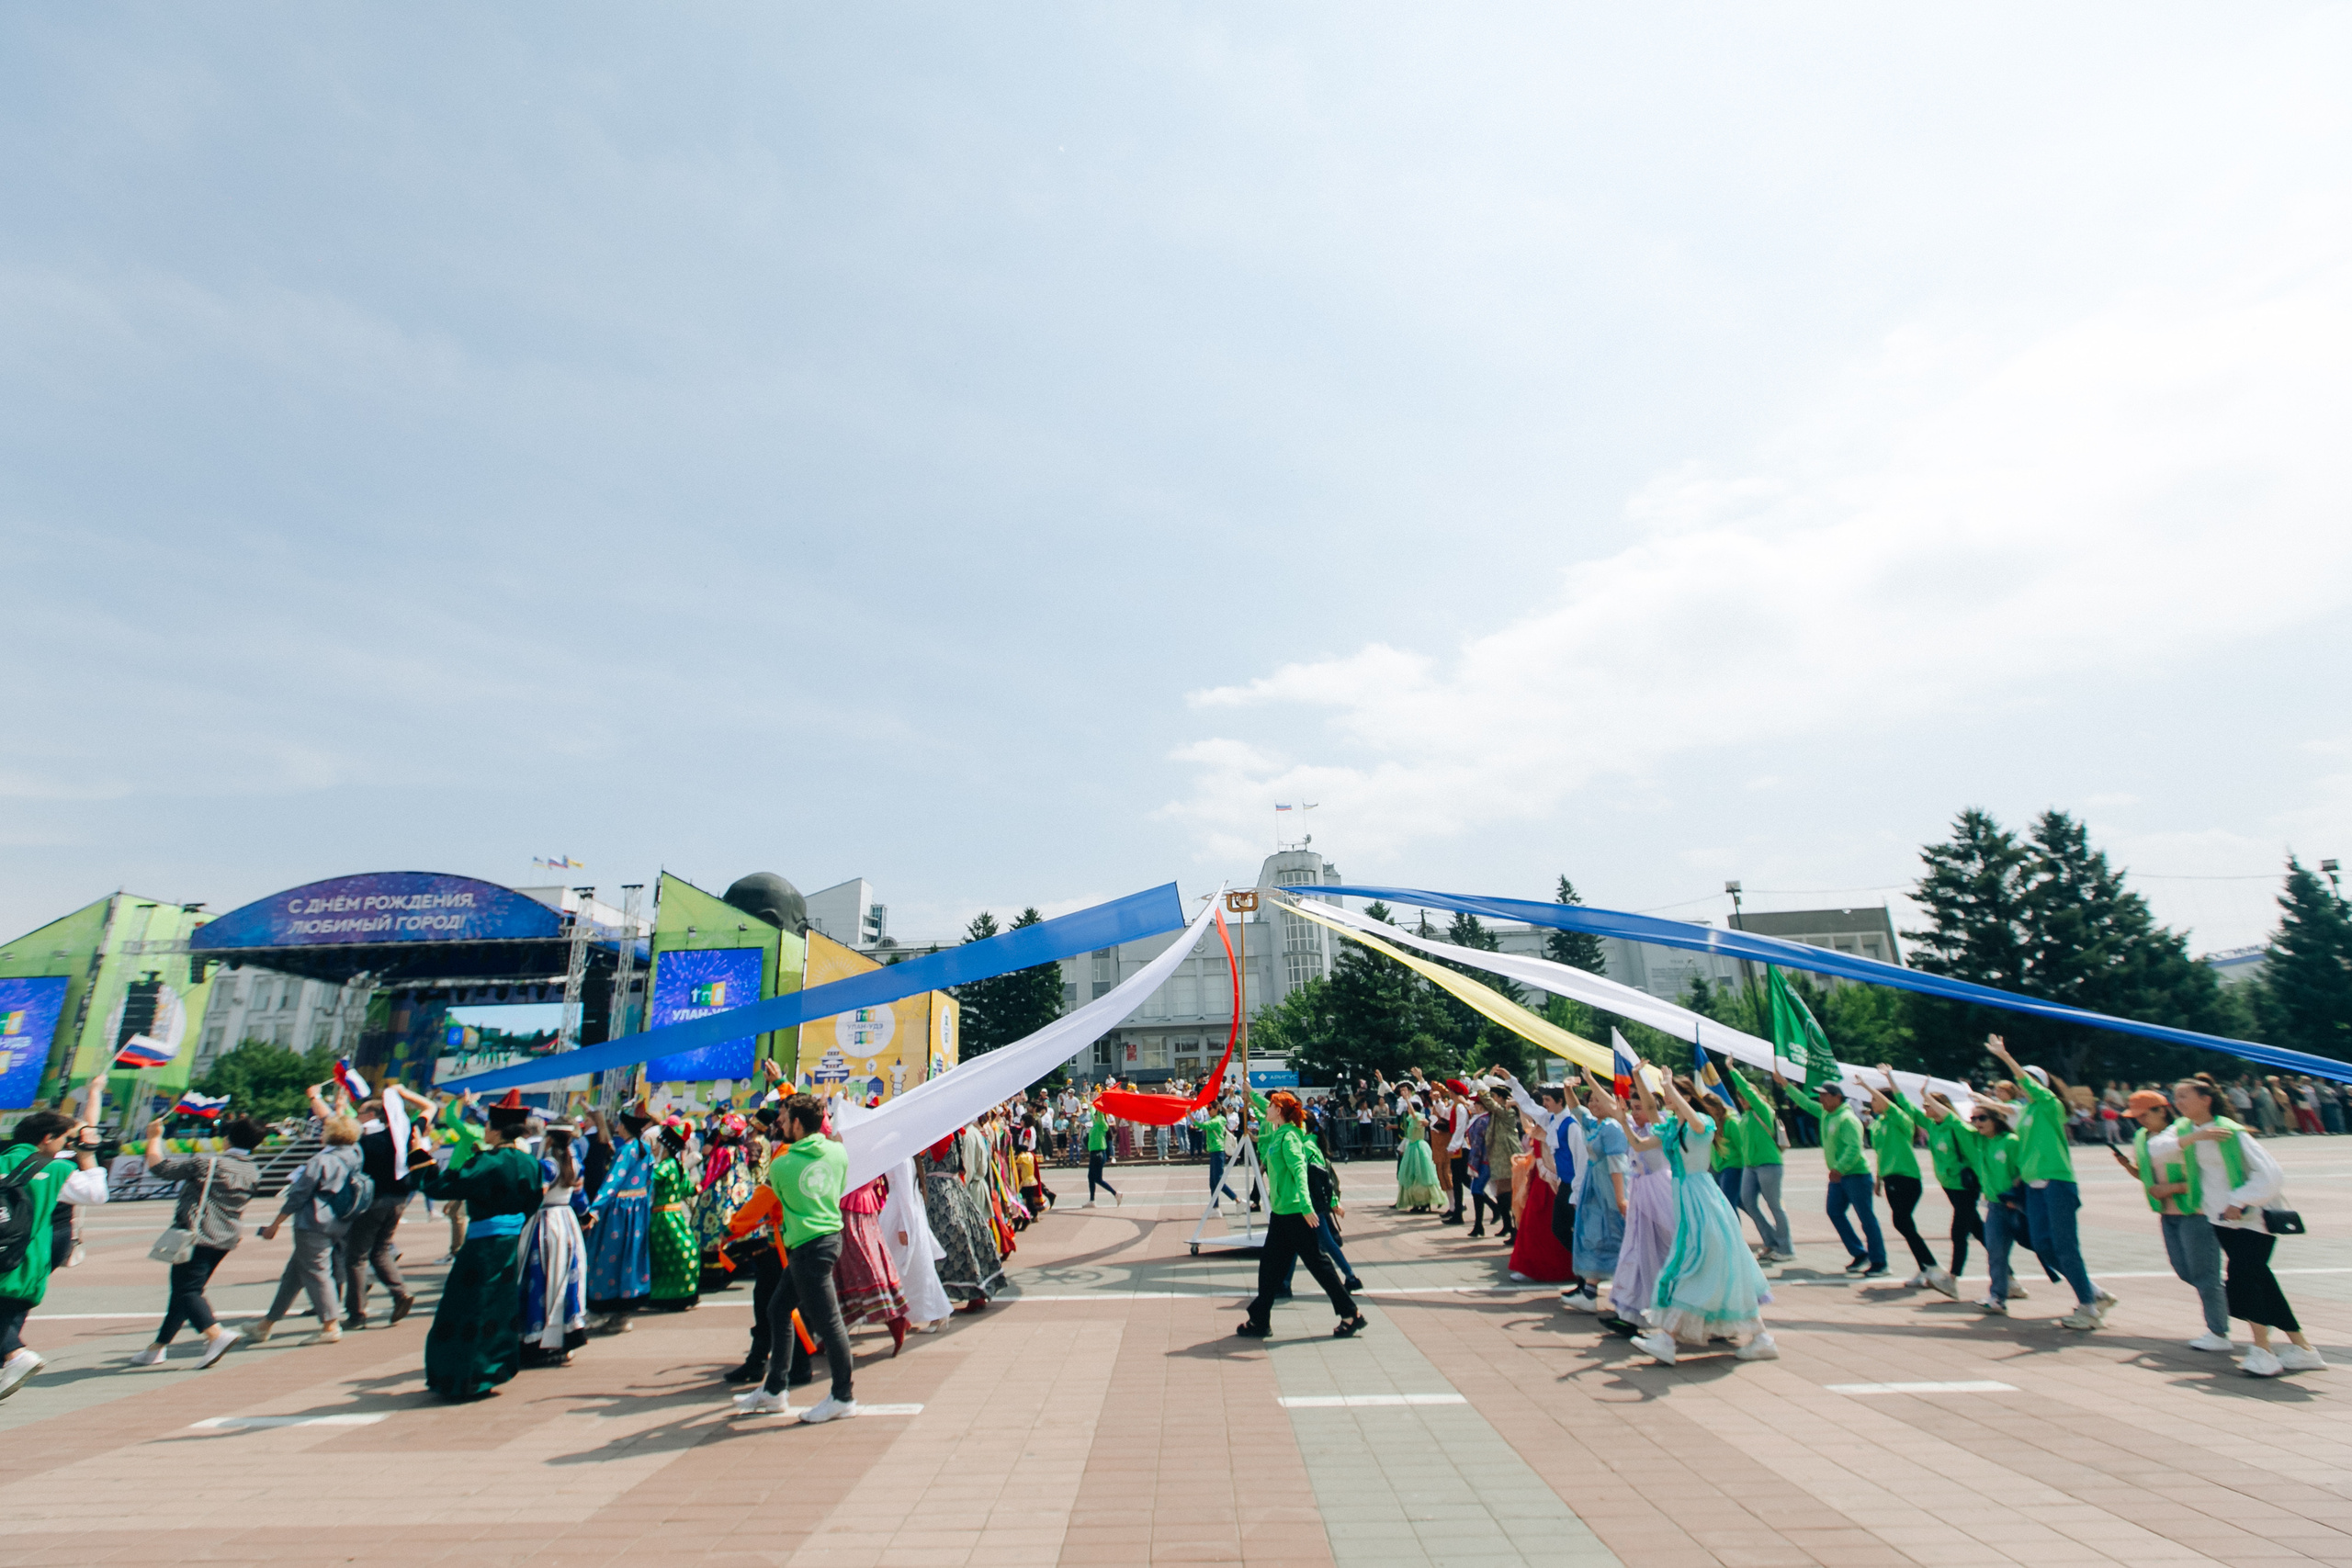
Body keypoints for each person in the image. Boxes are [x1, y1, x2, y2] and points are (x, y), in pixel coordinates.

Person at [2172, 1076, 2324, 1376]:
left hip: (2254, 1220)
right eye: (2176, 1097)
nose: (2178, 1102)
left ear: (2206, 1099)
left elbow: (2270, 1174)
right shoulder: (2188, 1131)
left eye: (2184, 1096)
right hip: (2223, 1220)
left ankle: (2263, 1351)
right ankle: (2302, 1348)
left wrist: (2239, 1200)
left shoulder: (2232, 1132)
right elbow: (2158, 1149)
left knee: (2245, 1279)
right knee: (2260, 1280)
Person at [1630, 1073, 1777, 1364]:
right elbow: (1644, 1130)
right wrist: (1636, 1082)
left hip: (1703, 1200)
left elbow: (1697, 1123)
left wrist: (1671, 1087)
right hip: (1687, 1200)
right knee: (1711, 1268)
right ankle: (1760, 1338)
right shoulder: (1672, 1127)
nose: (1665, 1097)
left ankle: (1667, 1339)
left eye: (1670, 1092)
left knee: (1696, 1265)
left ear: (1684, 1096)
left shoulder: (1702, 1123)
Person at [735, 1093, 858, 1422]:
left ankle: (843, 1396)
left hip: (807, 1246)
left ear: (798, 1124)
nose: (780, 1122)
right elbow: (839, 1186)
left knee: (829, 1323)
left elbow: (767, 1203)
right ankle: (775, 1390)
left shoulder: (783, 1164)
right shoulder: (837, 1151)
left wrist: (732, 1228)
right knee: (778, 1309)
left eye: (785, 1118)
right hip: (828, 1239)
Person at [417, 1092, 544, 1399]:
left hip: (481, 1247)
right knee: (500, 1305)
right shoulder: (530, 1163)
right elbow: (533, 1202)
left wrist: (420, 1156)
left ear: (495, 1130)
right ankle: (494, 1369)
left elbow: (440, 1186)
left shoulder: (487, 1161)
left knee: (467, 1306)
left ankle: (463, 1377)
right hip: (509, 1243)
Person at [1985, 1036, 2115, 1329]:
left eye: (2028, 1081)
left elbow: (2029, 1086)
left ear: (2041, 1085)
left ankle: (2088, 1308)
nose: (2022, 1085)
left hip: (2057, 1182)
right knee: (2043, 1245)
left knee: (2066, 1246)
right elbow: (2006, 1111)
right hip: (2034, 1186)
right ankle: (2094, 1293)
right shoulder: (2027, 1111)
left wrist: (2005, 1057)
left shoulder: (2049, 1104)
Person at [132, 1113, 266, 1369]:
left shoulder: (208, 1163)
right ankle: (157, 1348)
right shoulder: (253, 1170)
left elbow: (160, 1169)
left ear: (227, 1139)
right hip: (226, 1237)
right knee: (185, 1292)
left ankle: (215, 1334)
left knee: (187, 1291)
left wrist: (154, 1138)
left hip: (197, 1234)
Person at [2109, 1089, 2232, 1353]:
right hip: (2168, 1214)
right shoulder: (2143, 1138)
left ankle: (2218, 1331)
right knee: (2185, 1271)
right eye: (2136, 1116)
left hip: (2195, 1212)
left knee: (2204, 1275)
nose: (2140, 1120)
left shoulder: (2183, 1132)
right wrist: (2128, 1167)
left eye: (2145, 1115)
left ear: (2162, 1111)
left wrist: (2173, 1188)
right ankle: (2244, 1308)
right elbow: (2148, 1177)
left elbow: (2205, 1178)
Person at [1237, 1089, 1365, 1340]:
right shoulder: (1281, 1131)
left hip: (1296, 1212)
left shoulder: (1290, 1138)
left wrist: (1307, 1208)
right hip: (1282, 1213)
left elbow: (1299, 1172)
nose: (1267, 1108)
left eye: (1272, 1106)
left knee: (1317, 1264)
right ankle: (1260, 1319)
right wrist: (1250, 1095)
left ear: (1279, 1112)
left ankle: (1351, 1314)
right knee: (1271, 1266)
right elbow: (1266, 1106)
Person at [0, 1112, 108, 1400]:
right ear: (48, 1138)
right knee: (10, 1315)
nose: (66, 1145)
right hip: (30, 1258)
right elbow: (97, 1195)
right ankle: (13, 1358)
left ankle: (16, 1355)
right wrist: (87, 1156)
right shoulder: (57, 1169)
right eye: (64, 1139)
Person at [250, 1111, 368, 1346]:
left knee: (317, 1273)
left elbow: (298, 1195)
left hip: (313, 1221)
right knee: (294, 1274)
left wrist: (276, 1223)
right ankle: (266, 1324)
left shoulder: (320, 1161)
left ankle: (330, 1324)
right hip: (340, 1220)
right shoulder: (355, 1154)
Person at [345, 1085, 433, 1329]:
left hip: (374, 1201)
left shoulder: (367, 1141)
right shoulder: (407, 1132)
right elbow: (430, 1107)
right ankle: (399, 1293)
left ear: (375, 1115)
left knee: (356, 1257)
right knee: (381, 1250)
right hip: (399, 1199)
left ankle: (357, 1313)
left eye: (362, 1113)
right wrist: (403, 1092)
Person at [519, 1119, 591, 1369]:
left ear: (548, 1139)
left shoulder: (548, 1165)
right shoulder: (575, 1164)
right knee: (565, 1277)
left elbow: (535, 1195)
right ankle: (565, 1337)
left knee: (541, 1277)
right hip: (567, 1222)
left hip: (546, 1222)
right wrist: (586, 1216)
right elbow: (580, 1199)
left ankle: (538, 1339)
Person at [1862, 1069, 1942, 1289]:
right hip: (1890, 1179)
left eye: (1875, 1099)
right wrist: (1879, 1179)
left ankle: (1931, 1265)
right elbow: (1881, 1153)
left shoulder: (1901, 1119)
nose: (1871, 1103)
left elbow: (1895, 1105)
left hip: (1906, 1178)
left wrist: (1881, 1080)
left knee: (1902, 1222)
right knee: (1904, 1224)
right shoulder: (1878, 1124)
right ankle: (1926, 1267)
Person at [583, 1106, 656, 1329]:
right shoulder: (645, 1148)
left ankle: (601, 1307)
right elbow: (649, 1180)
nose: (618, 1127)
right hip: (638, 1210)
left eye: (621, 1124)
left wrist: (594, 1209)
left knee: (607, 1256)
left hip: (619, 1212)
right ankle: (623, 1311)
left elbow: (613, 1180)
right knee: (630, 1257)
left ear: (625, 1127)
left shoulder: (626, 1150)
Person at [920, 1126, 1004, 1309]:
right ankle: (973, 1290)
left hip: (938, 1193)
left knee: (944, 1239)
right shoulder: (956, 1134)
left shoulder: (940, 1136)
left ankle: (950, 1292)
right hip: (953, 1188)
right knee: (963, 1236)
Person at [1565, 1077, 1628, 1314]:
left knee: (1616, 1234)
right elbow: (1576, 1110)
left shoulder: (1613, 1128)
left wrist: (1619, 1197)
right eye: (1591, 1100)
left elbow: (1617, 1164)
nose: (1593, 1104)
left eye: (1598, 1100)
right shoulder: (1594, 1125)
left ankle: (1627, 1295)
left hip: (1611, 1187)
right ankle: (1590, 1292)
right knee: (1595, 1234)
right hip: (1595, 1186)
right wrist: (1568, 1088)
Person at [1812, 1082, 1886, 1278]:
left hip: (1856, 1175)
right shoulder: (1827, 1114)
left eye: (1825, 1095)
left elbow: (1854, 1147)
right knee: (1834, 1211)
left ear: (1838, 1097)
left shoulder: (1847, 1118)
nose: (1821, 1099)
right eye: (1820, 1095)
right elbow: (1804, 1102)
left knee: (1866, 1218)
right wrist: (1786, 1085)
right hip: (1840, 1176)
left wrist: (1840, 1168)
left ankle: (1879, 1261)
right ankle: (1860, 1253)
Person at [1912, 1089, 1981, 1297]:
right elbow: (1906, 1107)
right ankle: (2009, 1277)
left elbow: (1975, 1157)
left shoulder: (1957, 1127)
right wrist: (1891, 1081)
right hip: (1950, 1185)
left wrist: (1986, 1187)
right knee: (1979, 1230)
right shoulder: (1933, 1126)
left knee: (1958, 1233)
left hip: (1965, 1186)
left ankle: (1952, 1279)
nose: (1924, 1108)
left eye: (1928, 1105)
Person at [1721, 1063, 1792, 1261]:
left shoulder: (1763, 1110)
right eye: (1739, 1097)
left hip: (1769, 1164)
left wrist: (1732, 1070)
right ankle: (1771, 1242)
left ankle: (1786, 1249)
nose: (1742, 1099)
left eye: (1744, 1096)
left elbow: (1748, 1092)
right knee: (1748, 1202)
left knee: (1775, 1206)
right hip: (1750, 1166)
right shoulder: (1744, 1117)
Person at [834, 1174, 911, 1355]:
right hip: (862, 1199)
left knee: (858, 1263)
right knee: (865, 1259)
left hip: (850, 1202)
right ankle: (836, 1331)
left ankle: (891, 1317)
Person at [879, 1154, 955, 1334]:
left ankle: (935, 1312)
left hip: (901, 1215)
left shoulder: (902, 1158)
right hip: (902, 1213)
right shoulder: (903, 1156)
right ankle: (906, 1313)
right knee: (907, 1269)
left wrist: (903, 1226)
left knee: (912, 1268)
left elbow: (905, 1193)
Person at [647, 1117, 700, 1313]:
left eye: (657, 1145)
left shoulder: (669, 1165)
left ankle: (676, 1294)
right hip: (668, 1217)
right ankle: (676, 1294)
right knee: (681, 1253)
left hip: (666, 1218)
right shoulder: (674, 1165)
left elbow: (653, 1178)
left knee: (678, 1253)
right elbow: (686, 1187)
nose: (654, 1149)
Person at [1393, 1097, 1444, 1212]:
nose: (1408, 1110)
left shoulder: (1418, 1117)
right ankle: (1417, 1202)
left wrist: (1407, 1099)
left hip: (1418, 1147)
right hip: (1412, 1146)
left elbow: (1414, 1115)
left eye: (1409, 1108)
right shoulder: (1412, 1120)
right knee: (1412, 1175)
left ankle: (1425, 1201)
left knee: (1422, 1175)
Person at [1200, 1100, 1241, 1212]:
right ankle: (1215, 1207)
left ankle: (1237, 1199)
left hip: (1218, 1151)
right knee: (1213, 1182)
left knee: (1218, 1180)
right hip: (1214, 1151)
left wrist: (1190, 1115)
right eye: (1207, 1109)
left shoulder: (1218, 1120)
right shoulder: (1214, 1119)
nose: (1208, 1111)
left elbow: (1202, 1125)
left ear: (1216, 1109)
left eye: (1210, 1109)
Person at [1083, 1101, 1120, 1207]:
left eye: (1097, 1116)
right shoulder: (1095, 1124)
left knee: (1097, 1178)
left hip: (1099, 1153)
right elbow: (1092, 1112)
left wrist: (1099, 1107)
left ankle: (1115, 1194)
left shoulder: (1102, 1125)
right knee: (1091, 1177)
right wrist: (1092, 1104)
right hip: (1094, 1153)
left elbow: (1099, 1115)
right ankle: (1092, 1200)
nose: (1095, 1117)